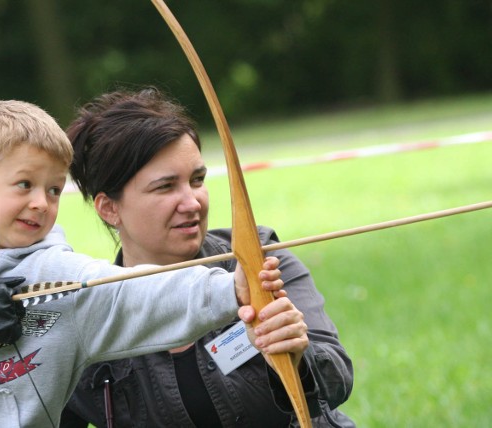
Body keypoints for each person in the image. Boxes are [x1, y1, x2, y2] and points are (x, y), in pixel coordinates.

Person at [0, 99, 285, 428]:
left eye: (55, 190)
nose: (40, 203)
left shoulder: (58, 273)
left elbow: (136, 293)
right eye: (24, 184)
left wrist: (232, 288)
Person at [57, 88, 355, 427]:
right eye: (166, 187)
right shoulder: (90, 317)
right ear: (110, 208)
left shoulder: (260, 260)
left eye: (197, 180)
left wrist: (299, 358)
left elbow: (337, 382)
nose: (193, 202)